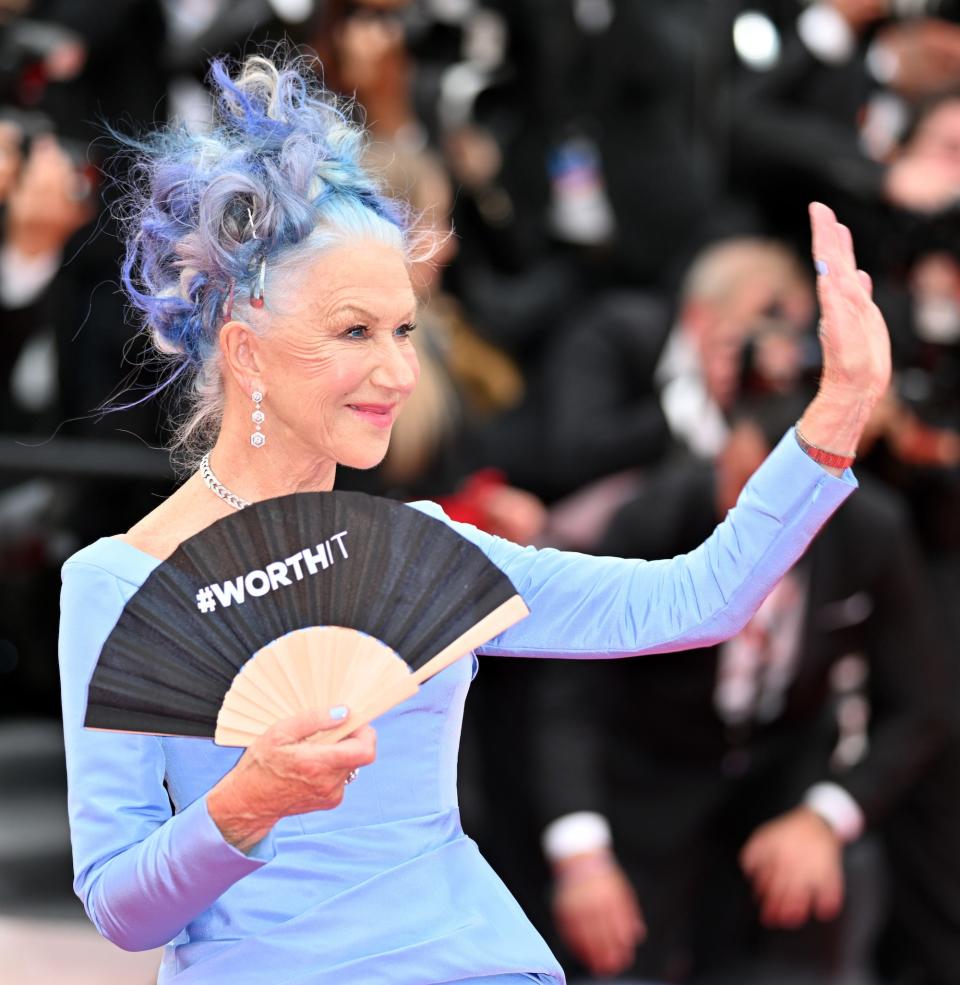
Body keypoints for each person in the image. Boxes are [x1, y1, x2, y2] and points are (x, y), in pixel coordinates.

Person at [57, 54, 890, 985]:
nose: (399, 373)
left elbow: (699, 597)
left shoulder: (426, 553)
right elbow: (121, 907)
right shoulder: (118, 581)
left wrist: (837, 416)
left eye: (406, 329)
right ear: (247, 351)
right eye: (354, 332)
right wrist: (242, 807)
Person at [534, 397, 946, 983]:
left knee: (806, 927)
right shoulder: (654, 518)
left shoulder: (871, 531)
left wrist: (827, 815)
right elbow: (566, 693)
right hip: (646, 784)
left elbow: (920, 705)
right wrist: (580, 855)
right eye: (731, 478)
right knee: (612, 960)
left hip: (779, 787)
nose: (740, 510)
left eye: (762, 493)